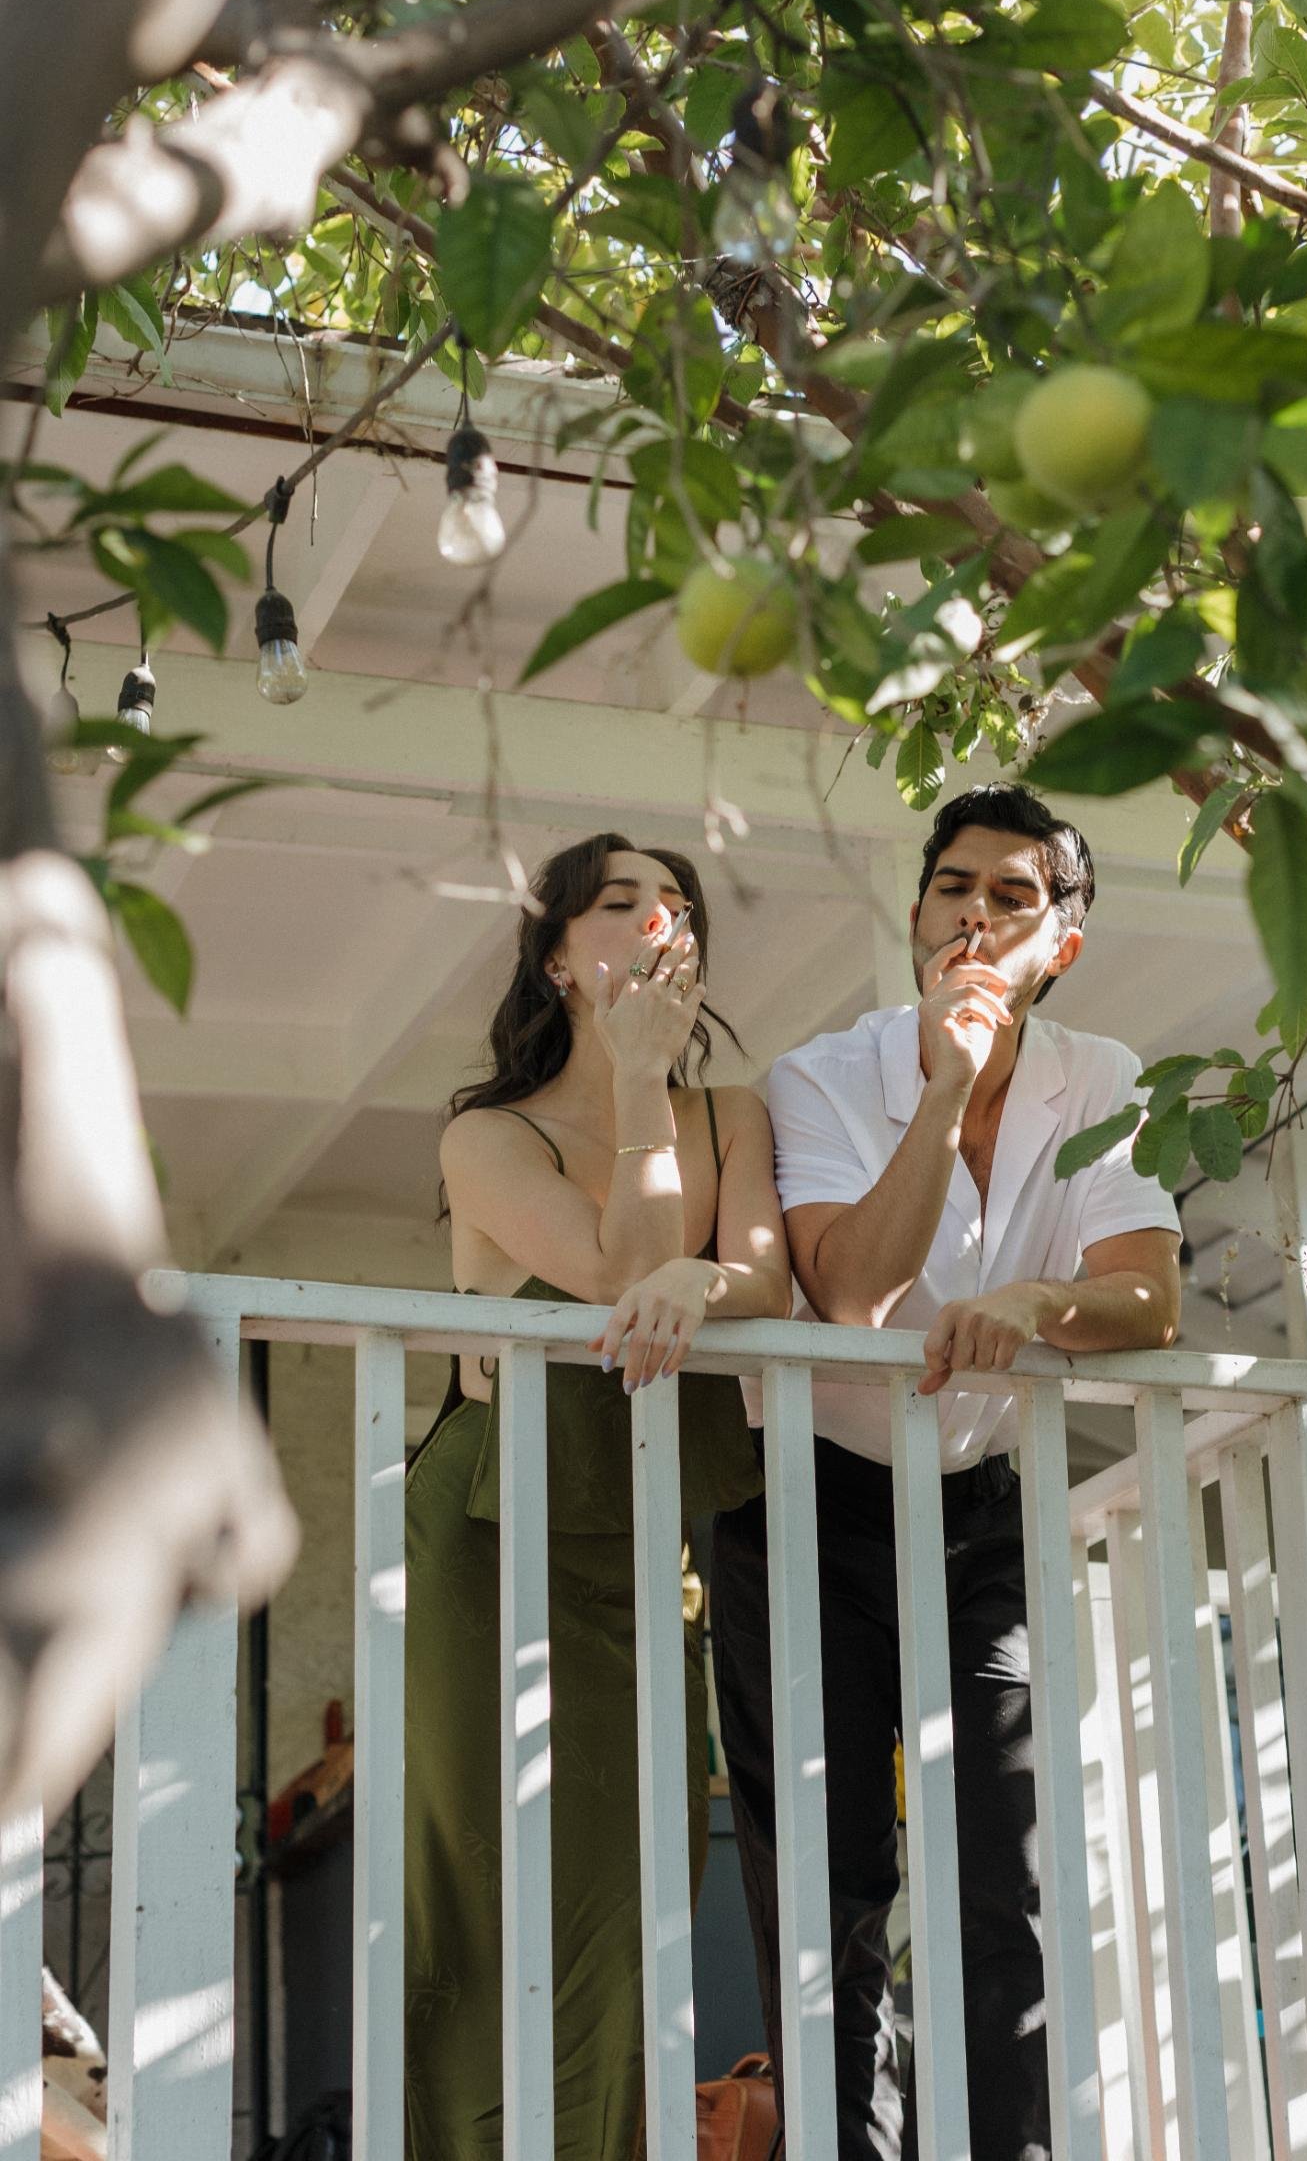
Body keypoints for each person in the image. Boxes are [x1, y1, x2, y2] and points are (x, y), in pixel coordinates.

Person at [710, 784, 1182, 2161]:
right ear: (917, 914)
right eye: (955, 888)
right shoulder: (820, 1074)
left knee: (1003, 1884)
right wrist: (948, 1089)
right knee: (827, 1895)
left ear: (1063, 945)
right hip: (812, 1515)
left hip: (983, 1525)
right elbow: (853, 1291)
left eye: (1016, 897)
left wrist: (1039, 1307)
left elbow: (1147, 1303)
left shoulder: (1100, 1081)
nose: (977, 914)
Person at [405, 831, 792, 2161]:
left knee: (639, 1880)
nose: (657, 918)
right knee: (485, 1887)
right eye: (620, 901)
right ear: (560, 955)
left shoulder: (731, 1114)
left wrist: (707, 1281)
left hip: (634, 1535)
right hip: (485, 1521)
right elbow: (615, 1266)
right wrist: (636, 1089)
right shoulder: (485, 1133)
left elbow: (760, 1281)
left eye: (676, 902)